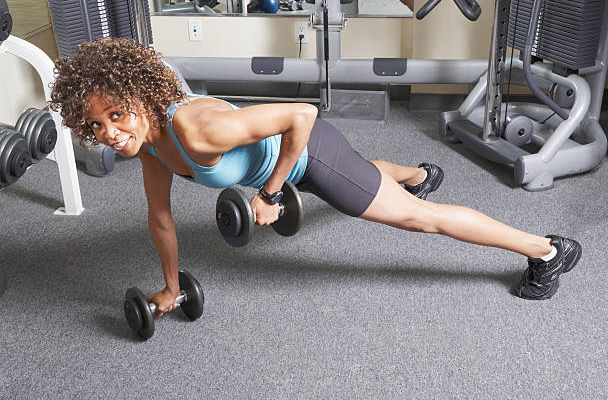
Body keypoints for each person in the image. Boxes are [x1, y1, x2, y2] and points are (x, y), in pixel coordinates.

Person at [50, 38, 581, 316]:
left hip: (306, 154)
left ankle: (547, 251)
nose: (111, 132)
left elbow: (301, 115)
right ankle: (419, 172)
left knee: (420, 220)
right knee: (361, 176)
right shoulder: (149, 148)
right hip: (290, 162)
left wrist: (272, 191)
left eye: (117, 114)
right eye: (96, 125)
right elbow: (160, 220)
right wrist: (169, 289)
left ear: (140, 97)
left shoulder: (196, 129)